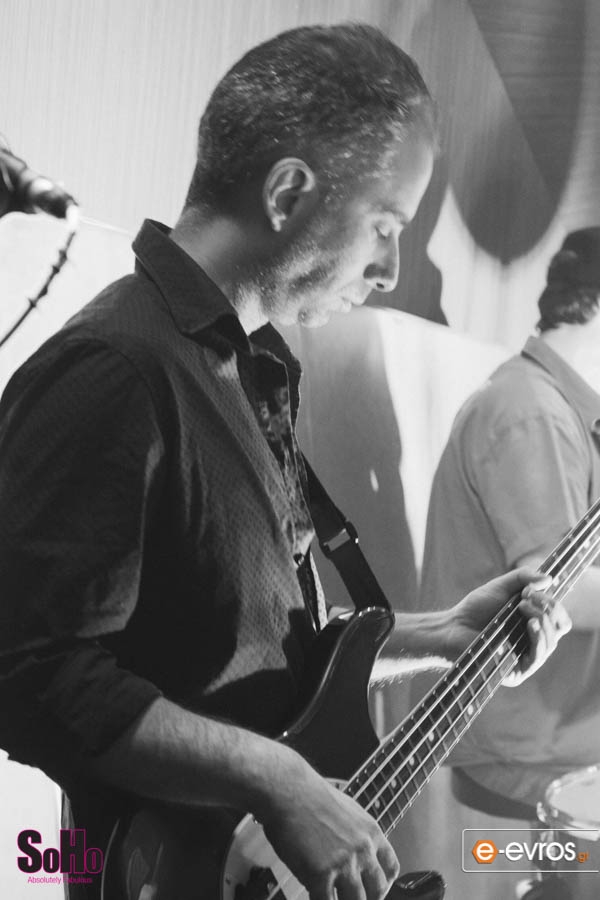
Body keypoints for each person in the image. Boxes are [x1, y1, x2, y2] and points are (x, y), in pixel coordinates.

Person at [0, 24, 568, 900]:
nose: (391, 268)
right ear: (289, 192)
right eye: (386, 226)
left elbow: (254, 647)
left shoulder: (257, 365)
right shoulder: (115, 369)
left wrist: (443, 634)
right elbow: (31, 675)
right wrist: (279, 780)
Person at [420, 226, 600, 814]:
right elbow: (560, 592)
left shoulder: (564, 408)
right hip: (527, 743)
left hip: (555, 728)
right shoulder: (533, 411)